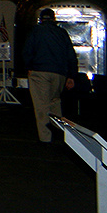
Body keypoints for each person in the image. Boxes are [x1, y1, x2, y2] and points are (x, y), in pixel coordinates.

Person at [22, 8, 78, 143]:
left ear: (41, 19)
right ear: (54, 19)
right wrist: (71, 76)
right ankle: (59, 134)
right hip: (59, 74)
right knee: (55, 101)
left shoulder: (36, 31)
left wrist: (28, 67)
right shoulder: (62, 33)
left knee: (41, 105)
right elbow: (71, 55)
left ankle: (46, 138)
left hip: (40, 72)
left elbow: (28, 51)